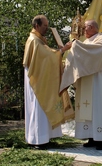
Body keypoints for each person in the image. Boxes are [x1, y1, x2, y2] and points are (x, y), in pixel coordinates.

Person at [60, 19, 102, 150]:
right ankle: (91, 136)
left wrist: (76, 44)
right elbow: (81, 56)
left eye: (84, 27)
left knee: (99, 108)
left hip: (99, 83)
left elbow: (94, 53)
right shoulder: (86, 42)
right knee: (89, 110)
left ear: (91, 27)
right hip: (87, 82)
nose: (83, 30)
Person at [23, 15, 74, 150]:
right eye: (44, 26)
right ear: (36, 26)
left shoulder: (39, 40)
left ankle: (46, 137)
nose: (47, 28)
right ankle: (39, 140)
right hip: (38, 82)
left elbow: (47, 56)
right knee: (39, 108)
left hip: (42, 79)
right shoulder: (34, 40)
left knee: (45, 108)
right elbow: (46, 57)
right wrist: (62, 50)